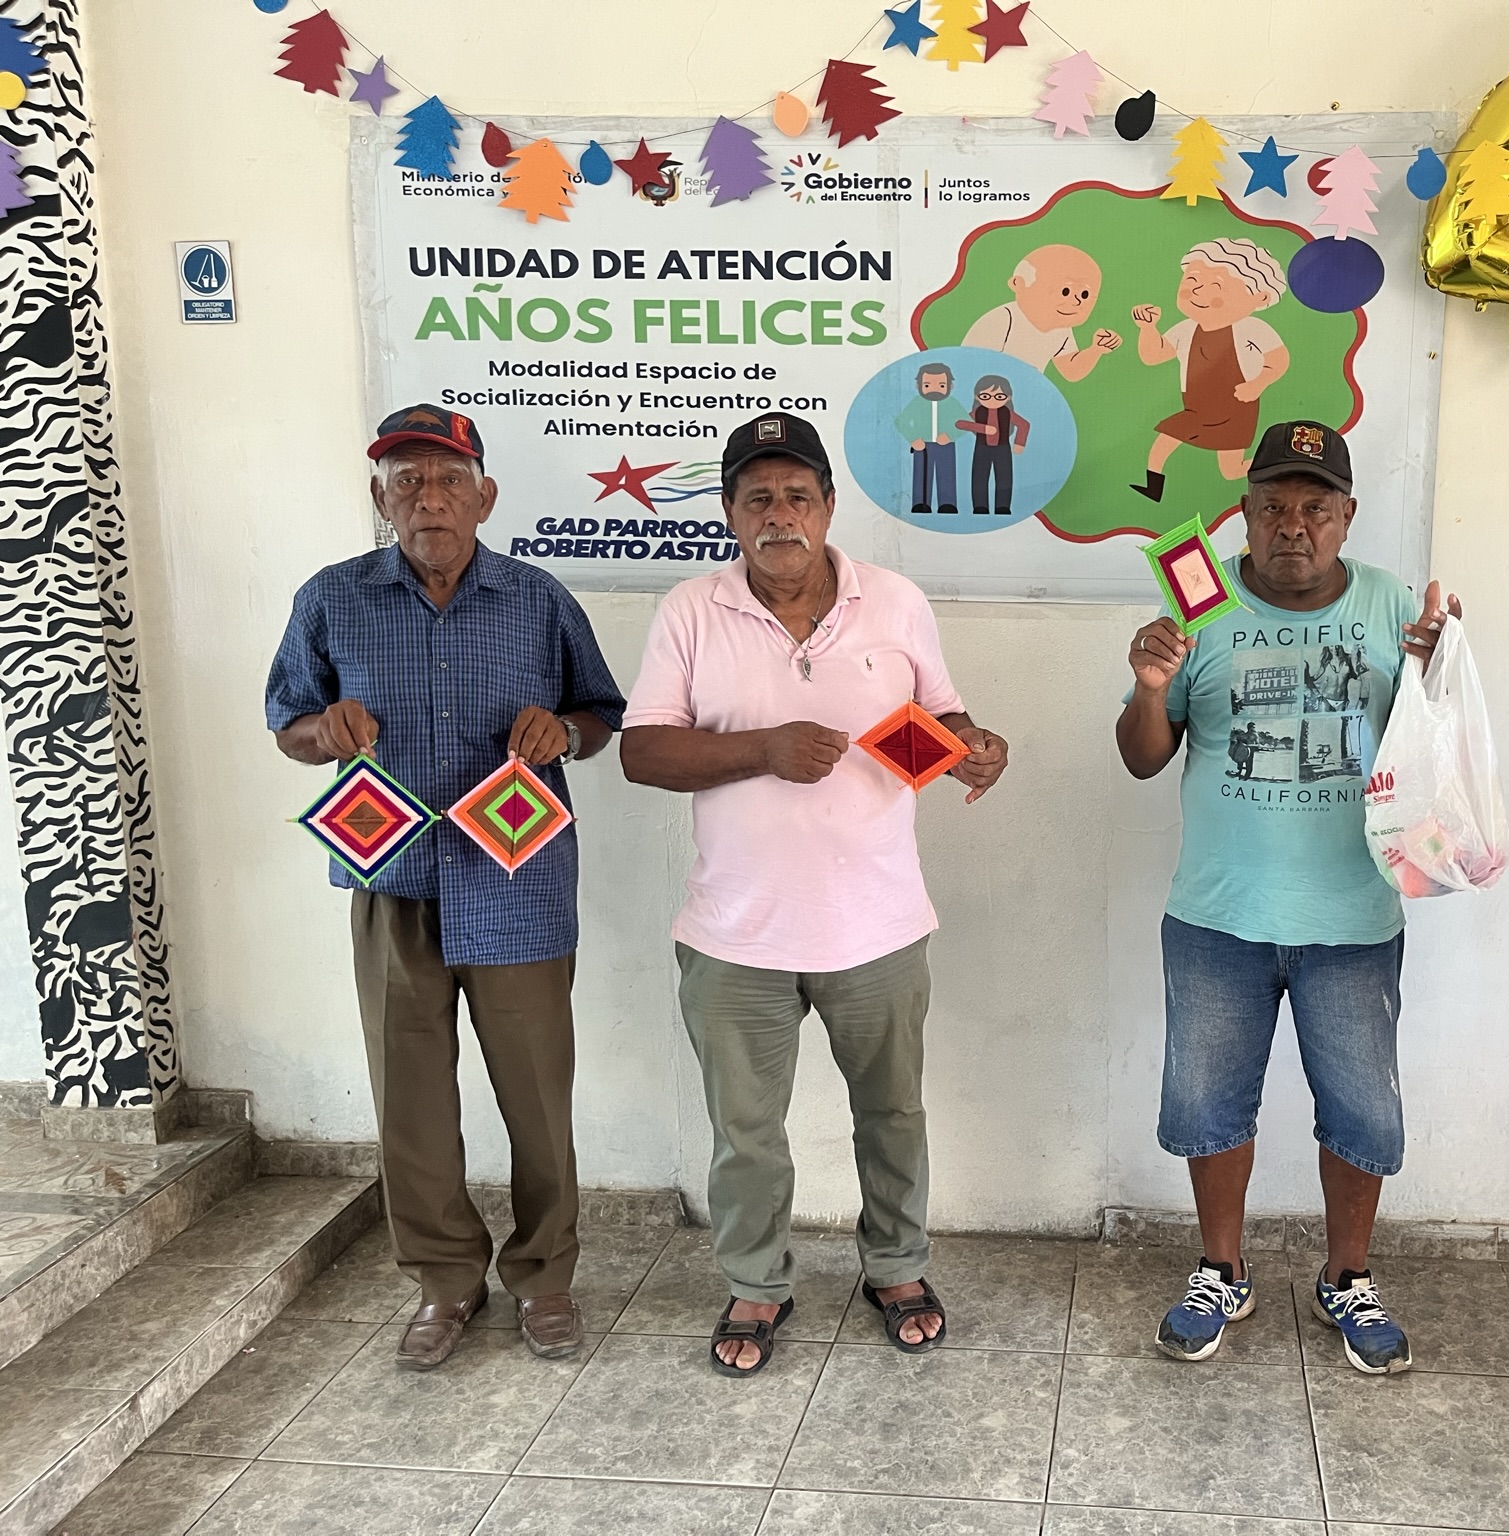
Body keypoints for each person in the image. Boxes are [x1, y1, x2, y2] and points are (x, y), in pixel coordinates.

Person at [619, 413, 1010, 1377]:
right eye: (757, 498)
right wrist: (764, 748)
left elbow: (942, 714)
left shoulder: (895, 601)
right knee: (746, 1133)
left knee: (893, 1115)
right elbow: (642, 752)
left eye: (798, 495)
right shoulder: (690, 611)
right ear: (729, 513)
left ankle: (898, 1268)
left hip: (878, 924)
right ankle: (757, 1281)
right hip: (734, 932)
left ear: (829, 507)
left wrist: (974, 746)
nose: (779, 514)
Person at [265, 405, 625, 1370]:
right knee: (411, 1103)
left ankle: (545, 1277)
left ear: (485, 496)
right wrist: (322, 733)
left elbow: (601, 712)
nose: (430, 497)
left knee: (538, 1100)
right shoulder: (331, 600)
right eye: (409, 481)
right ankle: (444, 1281)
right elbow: (288, 723)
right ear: (379, 497)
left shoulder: (538, 599)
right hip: (392, 883)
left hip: (517, 884)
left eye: (450, 479)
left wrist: (564, 731)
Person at [1115, 418, 1458, 1375]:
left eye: (1315, 506)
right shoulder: (1197, 602)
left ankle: (1346, 1277)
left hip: (1353, 916)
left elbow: (1433, 747)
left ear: (1348, 515)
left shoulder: (1392, 605)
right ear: (1245, 513)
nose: (1293, 525)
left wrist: (1442, 669)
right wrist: (1150, 688)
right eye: (1272, 506)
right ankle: (1221, 1270)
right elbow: (1142, 758)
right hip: (1217, 914)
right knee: (1208, 1106)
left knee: (1362, 1115)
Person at [1130, 239, 1291, 501]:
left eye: (1215, 285)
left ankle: (1280, 463)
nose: (1196, 291)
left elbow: (1278, 360)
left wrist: (1258, 383)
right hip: (1196, 407)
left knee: (1230, 471)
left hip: (1236, 407)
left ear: (1259, 297)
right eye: (1192, 280)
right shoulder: (1186, 329)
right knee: (1166, 438)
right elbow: (1153, 355)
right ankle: (1153, 486)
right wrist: (1148, 329)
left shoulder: (1252, 329)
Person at [962, 244, 1122, 381]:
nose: (1076, 302)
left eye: (1084, 295)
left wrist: (1095, 350)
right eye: (1065, 291)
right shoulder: (1004, 319)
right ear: (1019, 284)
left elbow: (1071, 371)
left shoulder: (1061, 329)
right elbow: (970, 365)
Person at [894, 359, 964, 516]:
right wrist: (913, 438)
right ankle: (921, 503)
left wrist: (950, 435)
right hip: (923, 445)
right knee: (922, 474)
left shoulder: (952, 403)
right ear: (918, 386)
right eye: (927, 385)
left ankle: (947, 503)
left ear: (951, 386)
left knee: (946, 474)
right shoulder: (917, 403)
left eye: (941, 385)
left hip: (946, 445)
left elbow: (965, 423)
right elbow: (901, 421)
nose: (934, 390)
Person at [956, 374, 1031, 517]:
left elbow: (1024, 425)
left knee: (1004, 478)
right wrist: (983, 429)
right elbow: (961, 423)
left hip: (1003, 448)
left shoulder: (1007, 412)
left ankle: (1003, 506)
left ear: (1008, 397)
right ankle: (980, 506)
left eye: (999, 396)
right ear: (977, 397)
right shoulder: (978, 412)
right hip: (981, 448)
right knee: (979, 477)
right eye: (985, 396)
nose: (992, 400)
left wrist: (1019, 443)